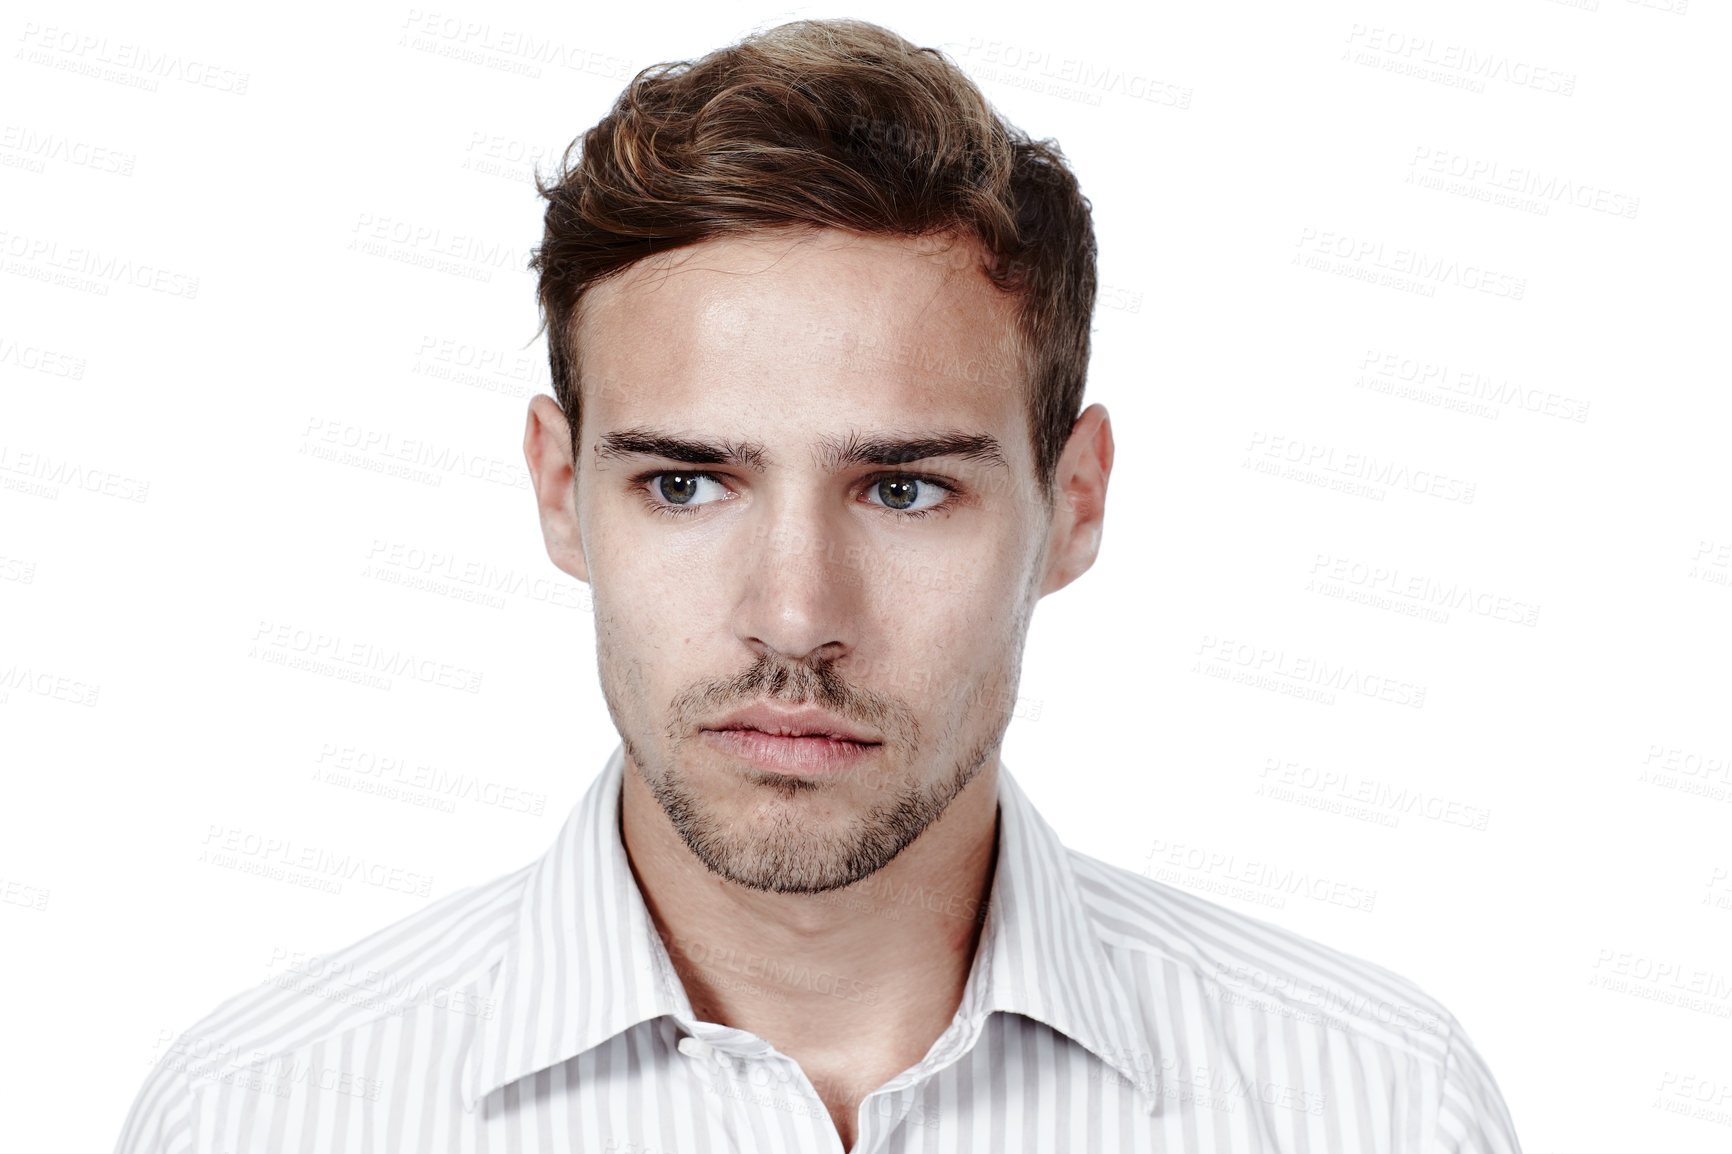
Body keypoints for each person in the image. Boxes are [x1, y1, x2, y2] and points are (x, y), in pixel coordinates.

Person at [116, 18, 1521, 1153]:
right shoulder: (261, 1115)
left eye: (904, 488)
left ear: (1074, 503)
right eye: (686, 482)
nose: (794, 616)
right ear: (559, 489)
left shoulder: (1378, 1105)